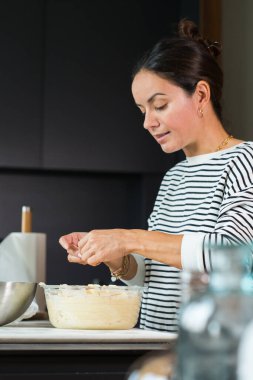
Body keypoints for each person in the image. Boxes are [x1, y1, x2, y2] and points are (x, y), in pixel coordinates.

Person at [59, 19, 253, 332]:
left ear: (201, 95)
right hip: (154, 348)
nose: (148, 122)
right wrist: (115, 255)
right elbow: (150, 274)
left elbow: (233, 254)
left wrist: (129, 237)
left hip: (210, 357)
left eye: (159, 105)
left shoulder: (245, 161)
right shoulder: (174, 177)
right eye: (142, 111)